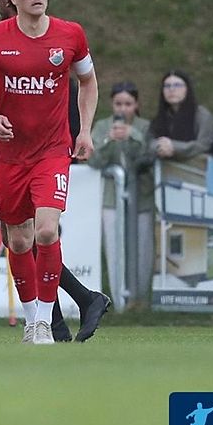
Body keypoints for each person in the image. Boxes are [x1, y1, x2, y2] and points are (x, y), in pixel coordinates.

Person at [0, 0, 99, 345]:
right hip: (10, 155)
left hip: (52, 151)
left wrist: (85, 130)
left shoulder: (70, 34)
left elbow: (88, 82)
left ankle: (44, 320)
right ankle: (32, 320)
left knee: (45, 230)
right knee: (19, 241)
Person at [88, 81, 155, 303]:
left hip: (141, 196)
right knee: (114, 247)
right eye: (118, 104)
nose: (123, 109)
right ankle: (117, 301)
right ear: (112, 104)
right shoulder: (102, 126)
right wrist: (108, 140)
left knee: (143, 248)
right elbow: (93, 160)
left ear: (136, 105)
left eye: (128, 104)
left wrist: (133, 134)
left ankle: (140, 300)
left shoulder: (145, 126)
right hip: (111, 198)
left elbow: (149, 156)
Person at [148, 70, 213, 165]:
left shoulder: (202, 115)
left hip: (196, 169)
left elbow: (204, 145)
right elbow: (149, 142)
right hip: (165, 170)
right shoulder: (161, 117)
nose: (171, 89)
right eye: (167, 86)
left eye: (177, 85)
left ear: (187, 89)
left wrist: (174, 147)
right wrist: (159, 147)